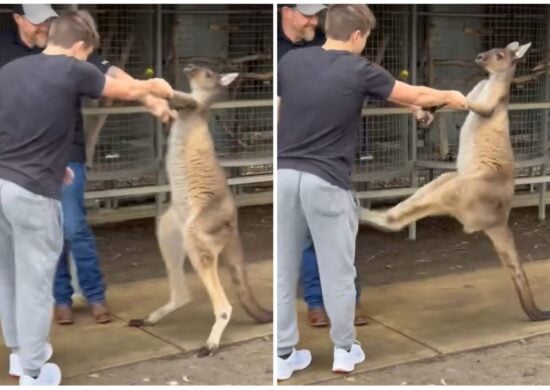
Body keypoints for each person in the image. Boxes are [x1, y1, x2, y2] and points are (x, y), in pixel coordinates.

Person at [276, 4, 467, 380]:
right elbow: (415, 92)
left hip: (285, 175)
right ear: (358, 35)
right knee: (339, 273)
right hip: (327, 181)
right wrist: (452, 95)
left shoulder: (292, 63)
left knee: (284, 272)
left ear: (328, 26)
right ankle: (345, 351)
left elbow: (282, 111)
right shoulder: (360, 68)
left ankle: (283, 356)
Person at [0, 10, 174, 385]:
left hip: (3, 183)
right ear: (79, 47)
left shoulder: (10, 72)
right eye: (86, 54)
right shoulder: (71, 68)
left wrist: (54, 165)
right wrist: (158, 87)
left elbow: (21, 128)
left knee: (9, 275)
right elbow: (128, 90)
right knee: (34, 281)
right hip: (32, 193)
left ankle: (18, 353)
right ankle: (32, 370)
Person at [278, 3, 368, 328]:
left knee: (331, 239)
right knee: (307, 241)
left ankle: (343, 306)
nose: (314, 21)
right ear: (285, 11)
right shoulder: (287, 58)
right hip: (307, 163)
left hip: (316, 162)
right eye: (308, 14)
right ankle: (319, 305)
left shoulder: (317, 51)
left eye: (318, 15)